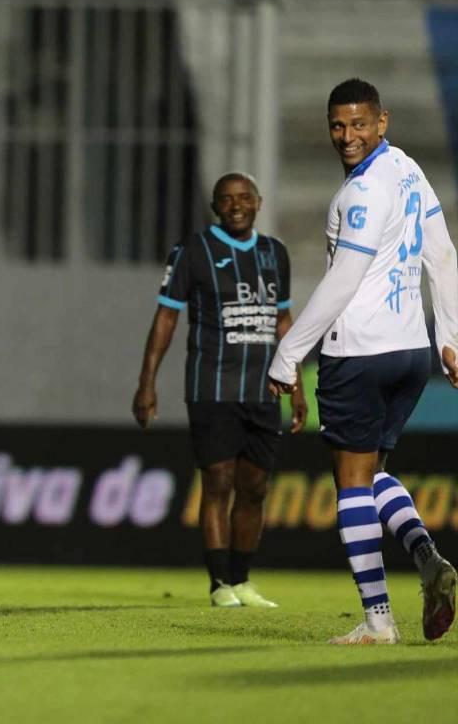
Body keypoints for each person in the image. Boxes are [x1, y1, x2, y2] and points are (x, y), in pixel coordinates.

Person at [268, 78, 458, 645]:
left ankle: (378, 621)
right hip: (409, 352)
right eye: (337, 125)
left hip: (358, 351)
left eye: (358, 124)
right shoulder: (408, 170)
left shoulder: (361, 194)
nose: (346, 136)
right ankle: (427, 558)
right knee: (375, 474)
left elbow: (344, 279)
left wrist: (287, 354)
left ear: (382, 121)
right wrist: (449, 336)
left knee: (350, 484)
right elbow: (442, 255)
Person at [133, 172, 308, 608]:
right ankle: (219, 585)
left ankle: (242, 580)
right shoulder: (193, 251)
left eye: (244, 198)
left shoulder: (274, 253)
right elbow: (166, 318)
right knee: (218, 483)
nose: (236, 205)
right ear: (215, 206)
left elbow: (283, 321)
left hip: (264, 388)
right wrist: (146, 382)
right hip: (212, 387)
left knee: (254, 488)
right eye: (226, 199)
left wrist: (297, 383)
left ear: (259, 202)